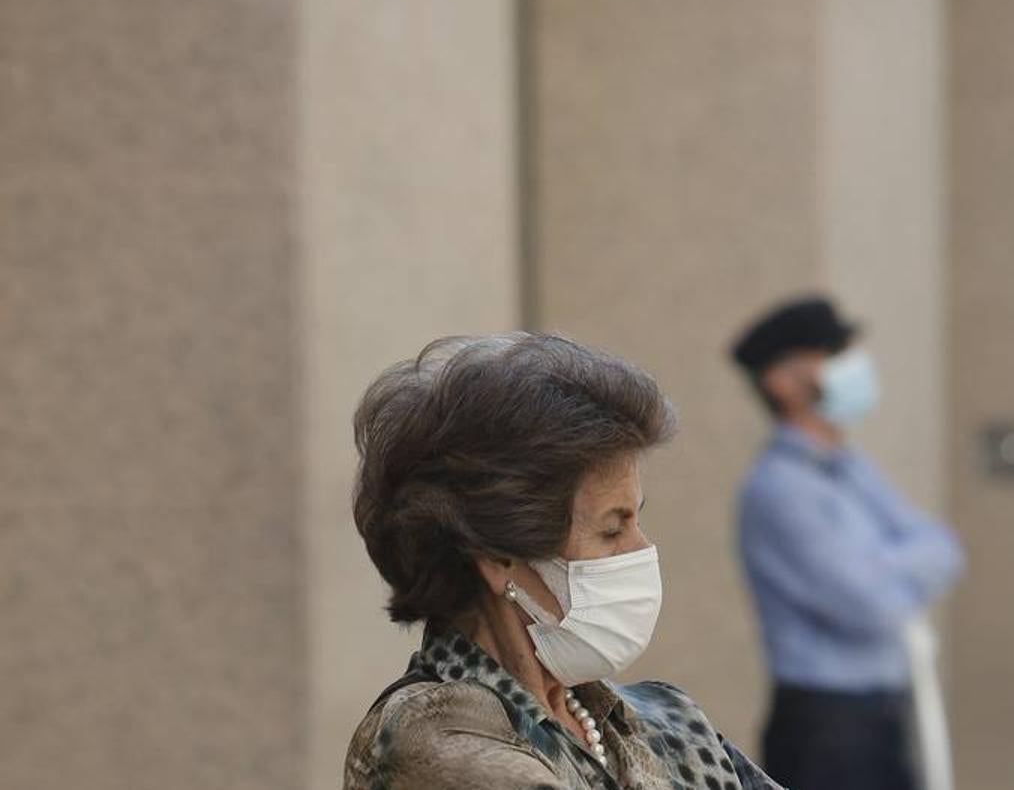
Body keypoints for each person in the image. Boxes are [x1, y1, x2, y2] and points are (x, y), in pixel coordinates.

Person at [343, 333, 783, 790]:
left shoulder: (667, 721)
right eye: (612, 530)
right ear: (499, 556)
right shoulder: (433, 736)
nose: (641, 550)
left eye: (637, 521)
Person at [730, 296, 964, 790]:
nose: (851, 365)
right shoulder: (780, 488)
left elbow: (944, 546)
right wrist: (897, 571)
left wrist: (882, 567)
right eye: (831, 352)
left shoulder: (848, 467)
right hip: (826, 729)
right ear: (781, 381)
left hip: (883, 716)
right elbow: (868, 606)